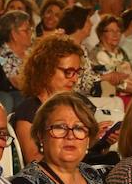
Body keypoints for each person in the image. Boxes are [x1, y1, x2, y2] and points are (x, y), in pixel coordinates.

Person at [10, 36, 84, 166]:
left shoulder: (75, 105)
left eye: (77, 72)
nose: (74, 79)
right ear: (46, 70)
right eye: (68, 72)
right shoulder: (28, 110)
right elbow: (33, 160)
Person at [0, 10, 33, 90]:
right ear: (14, 34)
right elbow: (18, 83)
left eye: (30, 29)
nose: (30, 33)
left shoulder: (32, 51)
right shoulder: (3, 56)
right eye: (26, 30)